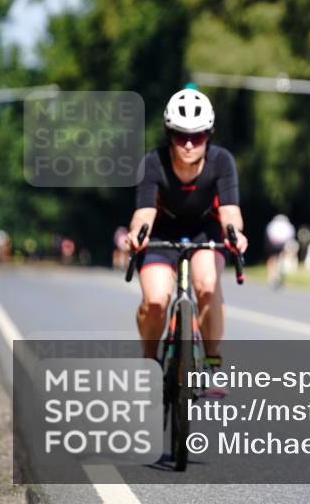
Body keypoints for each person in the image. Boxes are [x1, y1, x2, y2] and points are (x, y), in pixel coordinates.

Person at [126, 88, 248, 397]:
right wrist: (136, 234)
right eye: (181, 136)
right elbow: (144, 214)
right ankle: (150, 363)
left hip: (205, 229)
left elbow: (230, 212)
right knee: (155, 301)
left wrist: (236, 234)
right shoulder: (152, 163)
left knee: (207, 285)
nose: (190, 144)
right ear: (170, 134)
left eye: (198, 135)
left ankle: (212, 364)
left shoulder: (222, 161)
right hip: (160, 231)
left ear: (209, 134)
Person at [265, 214, 297, 288]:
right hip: (282, 244)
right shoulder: (288, 225)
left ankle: (272, 276)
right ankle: (278, 275)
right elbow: (291, 235)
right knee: (281, 259)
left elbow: (268, 233)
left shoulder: (272, 224)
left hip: (274, 243)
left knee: (272, 259)